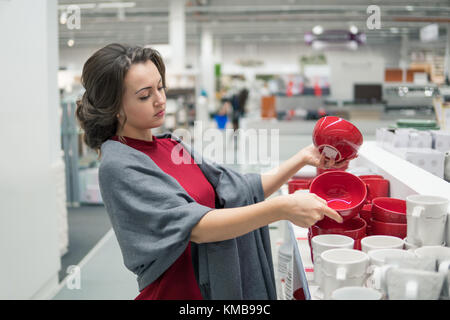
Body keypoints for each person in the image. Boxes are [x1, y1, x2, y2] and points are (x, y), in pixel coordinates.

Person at [75, 43, 347, 300]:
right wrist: (281, 208)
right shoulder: (119, 165)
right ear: (115, 108)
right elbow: (197, 227)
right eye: (145, 95)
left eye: (160, 87)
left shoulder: (171, 145)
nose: (160, 100)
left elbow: (240, 189)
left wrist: (302, 159)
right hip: (180, 292)